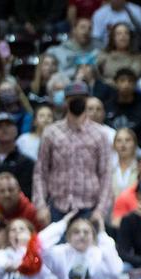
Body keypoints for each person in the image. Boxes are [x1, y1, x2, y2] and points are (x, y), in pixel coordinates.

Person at [33, 82, 113, 225]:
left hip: (88, 208)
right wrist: (40, 205)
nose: (77, 101)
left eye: (81, 97)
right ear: (65, 100)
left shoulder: (100, 134)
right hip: (57, 207)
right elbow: (41, 172)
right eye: (72, 98)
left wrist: (100, 210)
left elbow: (105, 174)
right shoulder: (51, 133)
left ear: (87, 99)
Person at [40, 212, 123, 279]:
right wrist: (62, 224)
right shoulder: (61, 253)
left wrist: (102, 233)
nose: (82, 235)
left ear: (93, 236)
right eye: (76, 232)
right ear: (68, 237)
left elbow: (116, 271)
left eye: (86, 232)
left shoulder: (100, 253)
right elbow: (39, 246)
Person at [105, 68, 141, 149]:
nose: (126, 84)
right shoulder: (108, 105)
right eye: (122, 81)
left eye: (130, 81)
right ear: (115, 83)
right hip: (110, 147)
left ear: (135, 84)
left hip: (137, 149)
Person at [111, 127, 140, 200]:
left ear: (135, 144)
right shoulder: (108, 169)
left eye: (127, 140)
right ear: (114, 145)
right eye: (119, 141)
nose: (123, 144)